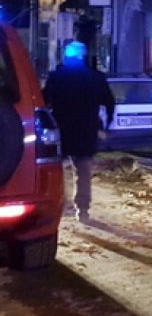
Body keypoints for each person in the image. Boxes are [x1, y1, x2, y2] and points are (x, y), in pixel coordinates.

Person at [43, 41, 114, 222]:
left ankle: (57, 206)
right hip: (86, 132)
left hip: (61, 131)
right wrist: (106, 125)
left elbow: (43, 101)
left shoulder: (56, 76)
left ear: (66, 56)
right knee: (83, 172)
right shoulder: (96, 77)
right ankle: (82, 210)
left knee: (55, 171)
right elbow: (109, 102)